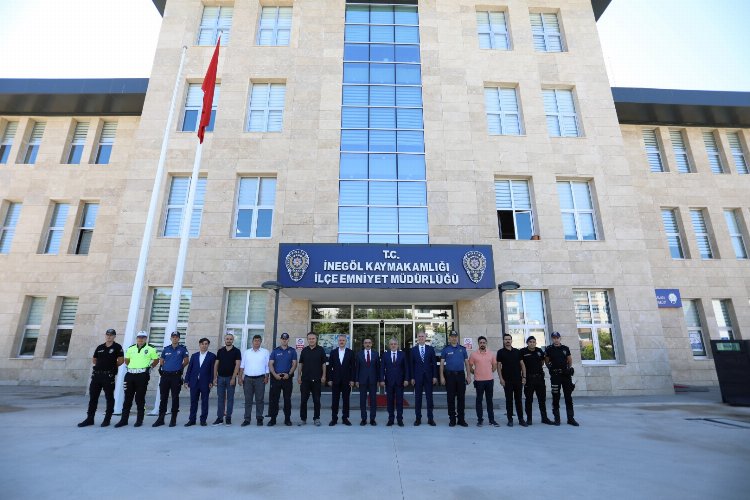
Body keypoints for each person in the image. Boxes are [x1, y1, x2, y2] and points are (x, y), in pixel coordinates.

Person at [78, 328, 124, 427]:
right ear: (105, 335)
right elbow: (94, 359)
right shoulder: (100, 347)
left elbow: (121, 361)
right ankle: (90, 419)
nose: (109, 336)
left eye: (111, 335)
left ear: (114, 336)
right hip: (97, 376)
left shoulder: (117, 347)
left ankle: (107, 419)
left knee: (109, 398)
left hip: (108, 376)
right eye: (107, 335)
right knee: (93, 398)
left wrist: (111, 366)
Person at [114, 331, 159, 428]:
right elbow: (127, 360)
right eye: (139, 337)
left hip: (142, 375)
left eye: (143, 337)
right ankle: (124, 420)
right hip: (130, 375)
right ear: (136, 338)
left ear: (146, 338)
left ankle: (139, 420)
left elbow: (156, 360)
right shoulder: (131, 348)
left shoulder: (151, 348)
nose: (141, 339)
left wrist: (150, 367)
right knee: (127, 398)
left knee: (140, 398)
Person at [153, 331, 188, 427]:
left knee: (175, 397)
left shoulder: (182, 349)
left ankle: (173, 419)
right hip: (165, 376)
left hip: (176, 376)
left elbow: (186, 361)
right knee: (163, 398)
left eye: (176, 337)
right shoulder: (166, 349)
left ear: (179, 338)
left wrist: (179, 368)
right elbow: (161, 360)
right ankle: (161, 419)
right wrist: (163, 367)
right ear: (171, 338)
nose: (175, 338)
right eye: (173, 337)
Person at [545, 331, 579, 426]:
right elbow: (547, 362)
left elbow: (569, 360)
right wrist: (551, 369)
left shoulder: (565, 348)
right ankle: (557, 419)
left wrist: (567, 369)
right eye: (554, 338)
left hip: (565, 376)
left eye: (557, 338)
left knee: (568, 397)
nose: (556, 340)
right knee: (555, 397)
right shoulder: (549, 349)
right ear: (552, 339)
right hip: (555, 376)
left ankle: (570, 419)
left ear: (560, 338)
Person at [439, 330, 470, 427]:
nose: (454, 338)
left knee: (461, 398)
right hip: (450, 376)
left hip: (460, 376)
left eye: (455, 336)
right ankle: (452, 419)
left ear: (457, 338)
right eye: (452, 336)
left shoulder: (462, 349)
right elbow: (441, 365)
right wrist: (442, 377)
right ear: (449, 338)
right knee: (450, 398)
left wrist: (468, 375)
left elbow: (467, 363)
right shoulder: (446, 349)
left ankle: (461, 419)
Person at [520, 336, 553, 425]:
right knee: (529, 400)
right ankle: (529, 419)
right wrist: (524, 377)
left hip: (539, 379)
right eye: (530, 342)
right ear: (527, 343)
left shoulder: (539, 351)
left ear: (536, 343)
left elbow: (542, 362)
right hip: (529, 379)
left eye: (533, 342)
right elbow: (521, 364)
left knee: (542, 399)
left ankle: (544, 418)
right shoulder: (523, 351)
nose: (532, 343)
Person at [184, 337, 216, 426]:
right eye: (202, 344)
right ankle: (192, 420)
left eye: (206, 344)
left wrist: (211, 381)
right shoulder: (194, 356)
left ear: (208, 345)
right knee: (193, 401)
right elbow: (189, 369)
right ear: (199, 345)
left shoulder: (212, 356)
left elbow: (212, 370)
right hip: (194, 382)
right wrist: (186, 380)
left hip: (205, 382)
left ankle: (203, 420)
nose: (204, 345)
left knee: (204, 401)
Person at [239, 334, 270, 427]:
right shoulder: (247, 352)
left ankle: (259, 418)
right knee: (248, 400)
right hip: (248, 379)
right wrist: (240, 377)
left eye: (258, 340)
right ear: (252, 342)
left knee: (259, 399)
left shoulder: (265, 352)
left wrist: (267, 376)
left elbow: (267, 366)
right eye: (255, 340)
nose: (257, 342)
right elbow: (242, 365)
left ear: (261, 342)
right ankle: (247, 419)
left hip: (260, 379)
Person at [497, 333, 527, 427]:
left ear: (511, 340)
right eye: (506, 339)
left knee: (519, 400)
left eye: (509, 339)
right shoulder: (500, 352)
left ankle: (521, 419)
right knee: (509, 400)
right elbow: (498, 366)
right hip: (507, 381)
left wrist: (524, 377)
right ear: (503, 341)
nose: (507, 341)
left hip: (518, 380)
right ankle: (510, 419)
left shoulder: (517, 351)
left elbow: (522, 364)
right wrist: (501, 378)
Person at [468, 336, 499, 427]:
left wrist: (489, 372)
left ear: (486, 343)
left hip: (489, 380)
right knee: (479, 401)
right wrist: (475, 372)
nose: (482, 344)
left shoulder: (491, 354)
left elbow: (494, 365)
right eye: (480, 343)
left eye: (484, 343)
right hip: (479, 381)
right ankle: (480, 420)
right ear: (478, 344)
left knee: (489, 401)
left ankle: (491, 420)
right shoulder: (473, 354)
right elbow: (470, 366)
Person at [212, 332, 242, 426]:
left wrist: (233, 378)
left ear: (233, 340)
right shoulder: (220, 351)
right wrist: (215, 377)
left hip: (230, 378)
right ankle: (220, 418)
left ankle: (228, 417)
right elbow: (216, 364)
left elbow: (237, 365)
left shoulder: (237, 351)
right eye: (227, 339)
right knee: (220, 398)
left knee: (230, 399)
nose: (229, 340)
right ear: (224, 340)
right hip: (220, 378)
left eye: (230, 339)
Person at [268, 332, 297, 427]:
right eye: (283, 339)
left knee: (287, 400)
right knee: (274, 400)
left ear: (288, 340)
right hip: (276, 378)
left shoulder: (292, 351)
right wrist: (274, 374)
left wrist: (289, 374)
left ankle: (287, 419)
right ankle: (273, 419)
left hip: (287, 379)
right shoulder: (275, 351)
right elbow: (270, 364)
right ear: (280, 340)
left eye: (286, 339)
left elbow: (294, 364)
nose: (284, 340)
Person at [297, 332, 327, 426]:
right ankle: (303, 419)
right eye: (309, 339)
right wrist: (299, 376)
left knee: (316, 400)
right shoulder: (304, 350)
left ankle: (316, 418)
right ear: (307, 339)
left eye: (313, 338)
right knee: (303, 400)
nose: (311, 340)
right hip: (305, 379)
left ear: (316, 339)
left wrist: (324, 376)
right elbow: (301, 363)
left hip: (317, 379)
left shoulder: (321, 350)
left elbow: (323, 364)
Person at [380, 337, 410, 427]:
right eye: (391, 344)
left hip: (400, 382)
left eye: (395, 344)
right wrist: (382, 380)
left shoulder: (402, 354)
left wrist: (406, 379)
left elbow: (406, 368)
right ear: (389, 345)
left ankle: (400, 420)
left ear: (397, 345)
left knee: (400, 402)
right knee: (390, 402)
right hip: (389, 382)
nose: (393, 345)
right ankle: (391, 419)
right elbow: (382, 368)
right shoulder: (385, 355)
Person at [410, 332, 437, 426]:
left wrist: (434, 376)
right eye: (419, 336)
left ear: (425, 338)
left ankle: (430, 419)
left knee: (429, 398)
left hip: (429, 377)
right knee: (418, 399)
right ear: (417, 338)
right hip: (417, 377)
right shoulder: (413, 350)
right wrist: (412, 377)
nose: (421, 338)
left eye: (422, 336)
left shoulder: (430, 349)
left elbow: (434, 364)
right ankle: (418, 419)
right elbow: (411, 365)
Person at [327, 334, 354, 426]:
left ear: (346, 342)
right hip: (335, 380)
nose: (341, 342)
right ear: (337, 342)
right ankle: (334, 418)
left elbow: (353, 367)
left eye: (343, 340)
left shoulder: (350, 352)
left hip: (347, 380)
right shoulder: (333, 352)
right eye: (340, 340)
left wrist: (352, 379)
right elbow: (330, 367)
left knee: (346, 400)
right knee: (335, 400)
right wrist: (330, 379)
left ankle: (345, 418)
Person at [355, 337, 381, 426]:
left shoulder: (376, 354)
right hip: (362, 380)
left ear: (372, 344)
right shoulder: (359, 354)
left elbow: (378, 368)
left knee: (373, 400)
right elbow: (357, 368)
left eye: (369, 342)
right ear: (363, 344)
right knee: (362, 401)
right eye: (366, 343)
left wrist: (379, 380)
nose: (367, 344)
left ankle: (372, 419)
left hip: (373, 380)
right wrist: (356, 380)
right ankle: (364, 419)